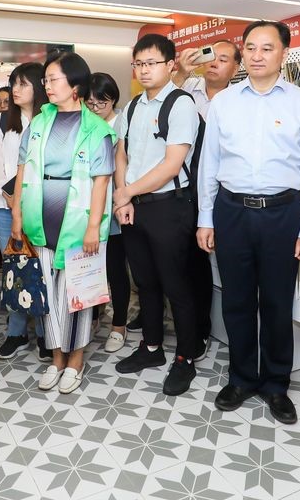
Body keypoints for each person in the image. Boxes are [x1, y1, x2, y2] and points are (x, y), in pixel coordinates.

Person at [196, 20, 300, 424]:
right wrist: (206, 217)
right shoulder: (224, 103)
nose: (256, 55)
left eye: (266, 48)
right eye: (250, 47)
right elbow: (209, 164)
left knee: (276, 302)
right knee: (236, 301)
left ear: (283, 53)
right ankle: (241, 378)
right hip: (231, 211)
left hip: (283, 213)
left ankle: (275, 384)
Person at [11, 53, 115, 394]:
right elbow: (23, 168)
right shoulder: (39, 122)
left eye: (53, 79)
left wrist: (93, 228)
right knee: (47, 295)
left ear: (75, 85)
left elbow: (101, 181)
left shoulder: (97, 129)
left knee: (78, 295)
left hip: (79, 222)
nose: (47, 85)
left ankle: (76, 361)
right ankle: (56, 359)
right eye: (46, 80)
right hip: (39, 218)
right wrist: (17, 215)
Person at [112, 34, 202, 397]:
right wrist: (124, 197)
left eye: (151, 63)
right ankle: (151, 347)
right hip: (135, 205)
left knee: (176, 285)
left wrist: (126, 192)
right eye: (138, 63)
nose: (144, 70)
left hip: (169, 206)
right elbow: (122, 154)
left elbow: (171, 164)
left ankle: (186, 357)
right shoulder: (133, 106)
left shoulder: (181, 104)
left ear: (170, 65)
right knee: (145, 282)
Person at [0, 62, 53, 361]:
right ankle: (16, 333)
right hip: (4, 206)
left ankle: (46, 334)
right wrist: (11, 195)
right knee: (14, 269)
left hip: (41, 207)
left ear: (39, 87)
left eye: (23, 83)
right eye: (14, 83)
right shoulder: (2, 121)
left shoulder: (50, 118)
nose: (15, 89)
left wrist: (26, 198)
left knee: (42, 270)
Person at [85, 73, 131, 353]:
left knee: (115, 269)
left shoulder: (123, 122)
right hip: (87, 207)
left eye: (100, 103)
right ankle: (93, 316)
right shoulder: (84, 123)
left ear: (112, 99)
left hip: (114, 206)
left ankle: (119, 325)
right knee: (89, 267)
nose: (95, 108)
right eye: (90, 103)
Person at [171, 40, 242, 120]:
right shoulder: (186, 85)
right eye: (211, 57)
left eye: (222, 60)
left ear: (235, 70)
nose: (213, 64)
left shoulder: (239, 100)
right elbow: (162, 103)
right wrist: (181, 75)